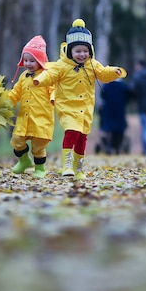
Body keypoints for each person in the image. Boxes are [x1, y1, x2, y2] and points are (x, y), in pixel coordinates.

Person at [33, 18, 126, 179]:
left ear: (90, 51)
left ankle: (79, 168)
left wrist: (114, 71)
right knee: (71, 132)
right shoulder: (62, 66)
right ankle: (67, 165)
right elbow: (50, 74)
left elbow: (103, 74)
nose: (82, 54)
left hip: (86, 108)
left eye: (85, 51)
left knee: (82, 137)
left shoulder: (92, 64)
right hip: (68, 107)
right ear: (70, 51)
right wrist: (39, 80)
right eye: (78, 51)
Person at [7, 35, 55, 178]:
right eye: (26, 60)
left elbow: (54, 89)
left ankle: (40, 168)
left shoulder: (46, 75)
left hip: (41, 118)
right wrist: (5, 103)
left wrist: (53, 98)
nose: (28, 63)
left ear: (40, 60)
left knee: (38, 146)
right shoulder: (23, 76)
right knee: (17, 140)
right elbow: (15, 93)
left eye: (32, 60)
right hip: (24, 118)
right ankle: (24, 161)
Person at [97, 78, 132, 155]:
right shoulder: (123, 86)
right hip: (120, 110)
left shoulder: (107, 85)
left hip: (109, 110)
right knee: (119, 129)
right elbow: (128, 97)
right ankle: (117, 147)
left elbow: (103, 96)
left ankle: (108, 146)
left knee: (109, 129)